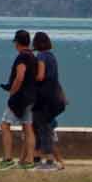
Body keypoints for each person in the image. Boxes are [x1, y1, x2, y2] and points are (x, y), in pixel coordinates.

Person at [0, 29, 37, 168]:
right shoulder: (33, 56)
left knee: (4, 125)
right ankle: (30, 160)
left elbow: (20, 76)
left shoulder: (22, 57)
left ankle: (8, 159)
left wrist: (12, 92)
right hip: (31, 97)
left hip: (19, 97)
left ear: (17, 43)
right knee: (28, 127)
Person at [29, 30, 67, 172]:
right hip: (54, 98)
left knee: (43, 129)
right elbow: (55, 79)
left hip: (43, 99)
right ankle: (38, 160)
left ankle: (50, 161)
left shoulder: (41, 57)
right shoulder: (52, 57)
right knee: (40, 128)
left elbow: (40, 76)